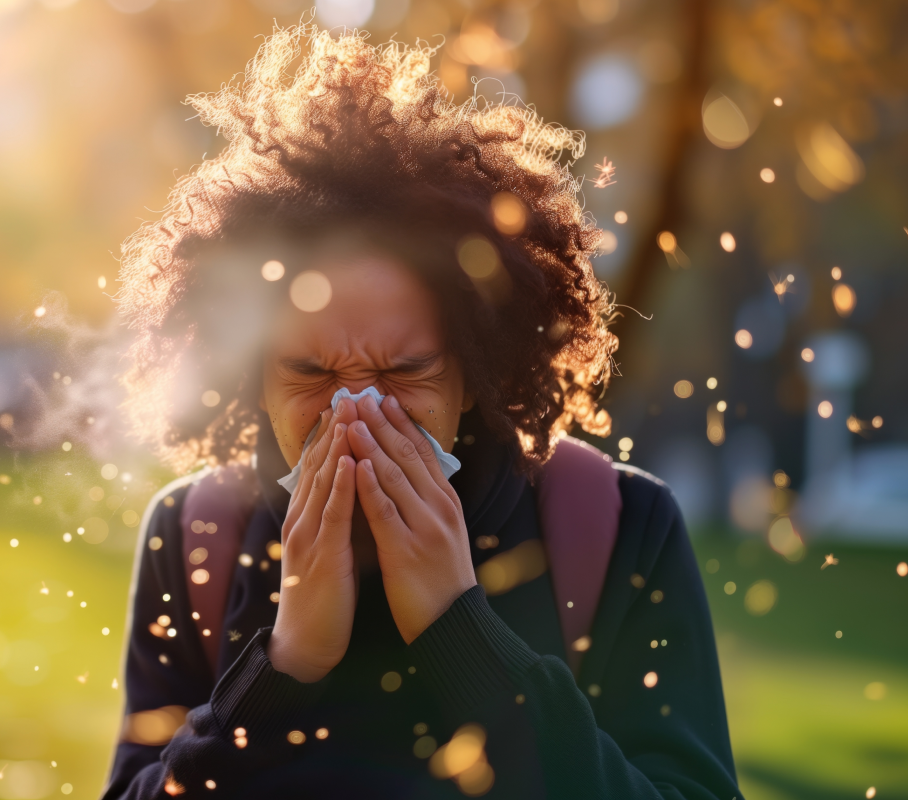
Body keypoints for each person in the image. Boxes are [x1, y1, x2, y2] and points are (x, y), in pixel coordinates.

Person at [95, 26, 740, 800]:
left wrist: (460, 635)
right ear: (250, 379)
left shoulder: (619, 527)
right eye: (308, 371)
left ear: (476, 370)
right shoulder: (196, 537)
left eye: (404, 370)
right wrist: (282, 668)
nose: (357, 411)